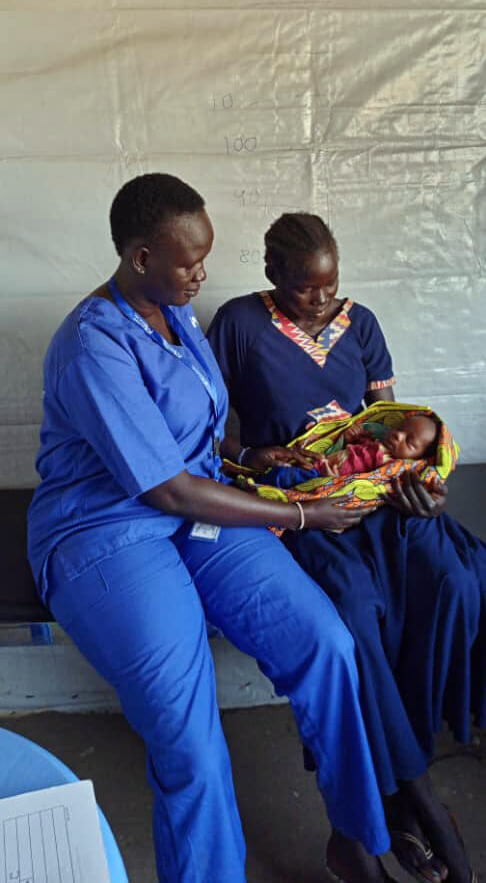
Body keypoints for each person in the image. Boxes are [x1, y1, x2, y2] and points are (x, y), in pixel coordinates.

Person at [27, 176, 397, 883]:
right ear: (140, 258)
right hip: (106, 532)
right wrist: (300, 513)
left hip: (197, 511)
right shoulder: (91, 341)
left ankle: (356, 837)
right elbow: (163, 483)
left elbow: (186, 440)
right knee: (191, 737)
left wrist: (246, 455)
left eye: (206, 257)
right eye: (188, 261)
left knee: (326, 643)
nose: (203, 273)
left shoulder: (178, 315)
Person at [208, 211, 485, 883]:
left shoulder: (361, 323)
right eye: (309, 289)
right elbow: (203, 432)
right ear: (274, 276)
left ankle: (396, 772)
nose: (325, 301)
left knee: (453, 580)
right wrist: (250, 451)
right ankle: (412, 796)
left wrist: (428, 480)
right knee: (355, 613)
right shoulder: (241, 326)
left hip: (381, 495)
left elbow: (397, 422)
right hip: (308, 502)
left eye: (332, 286)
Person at [261, 412, 439, 488]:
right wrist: (351, 437)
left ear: (418, 457)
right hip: (321, 461)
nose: (398, 436)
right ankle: (259, 483)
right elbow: (355, 447)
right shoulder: (376, 439)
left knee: (287, 477)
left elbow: (367, 484)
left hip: (328, 476)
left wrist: (336, 482)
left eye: (409, 442)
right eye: (399, 428)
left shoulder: (391, 466)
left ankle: (259, 489)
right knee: (283, 469)